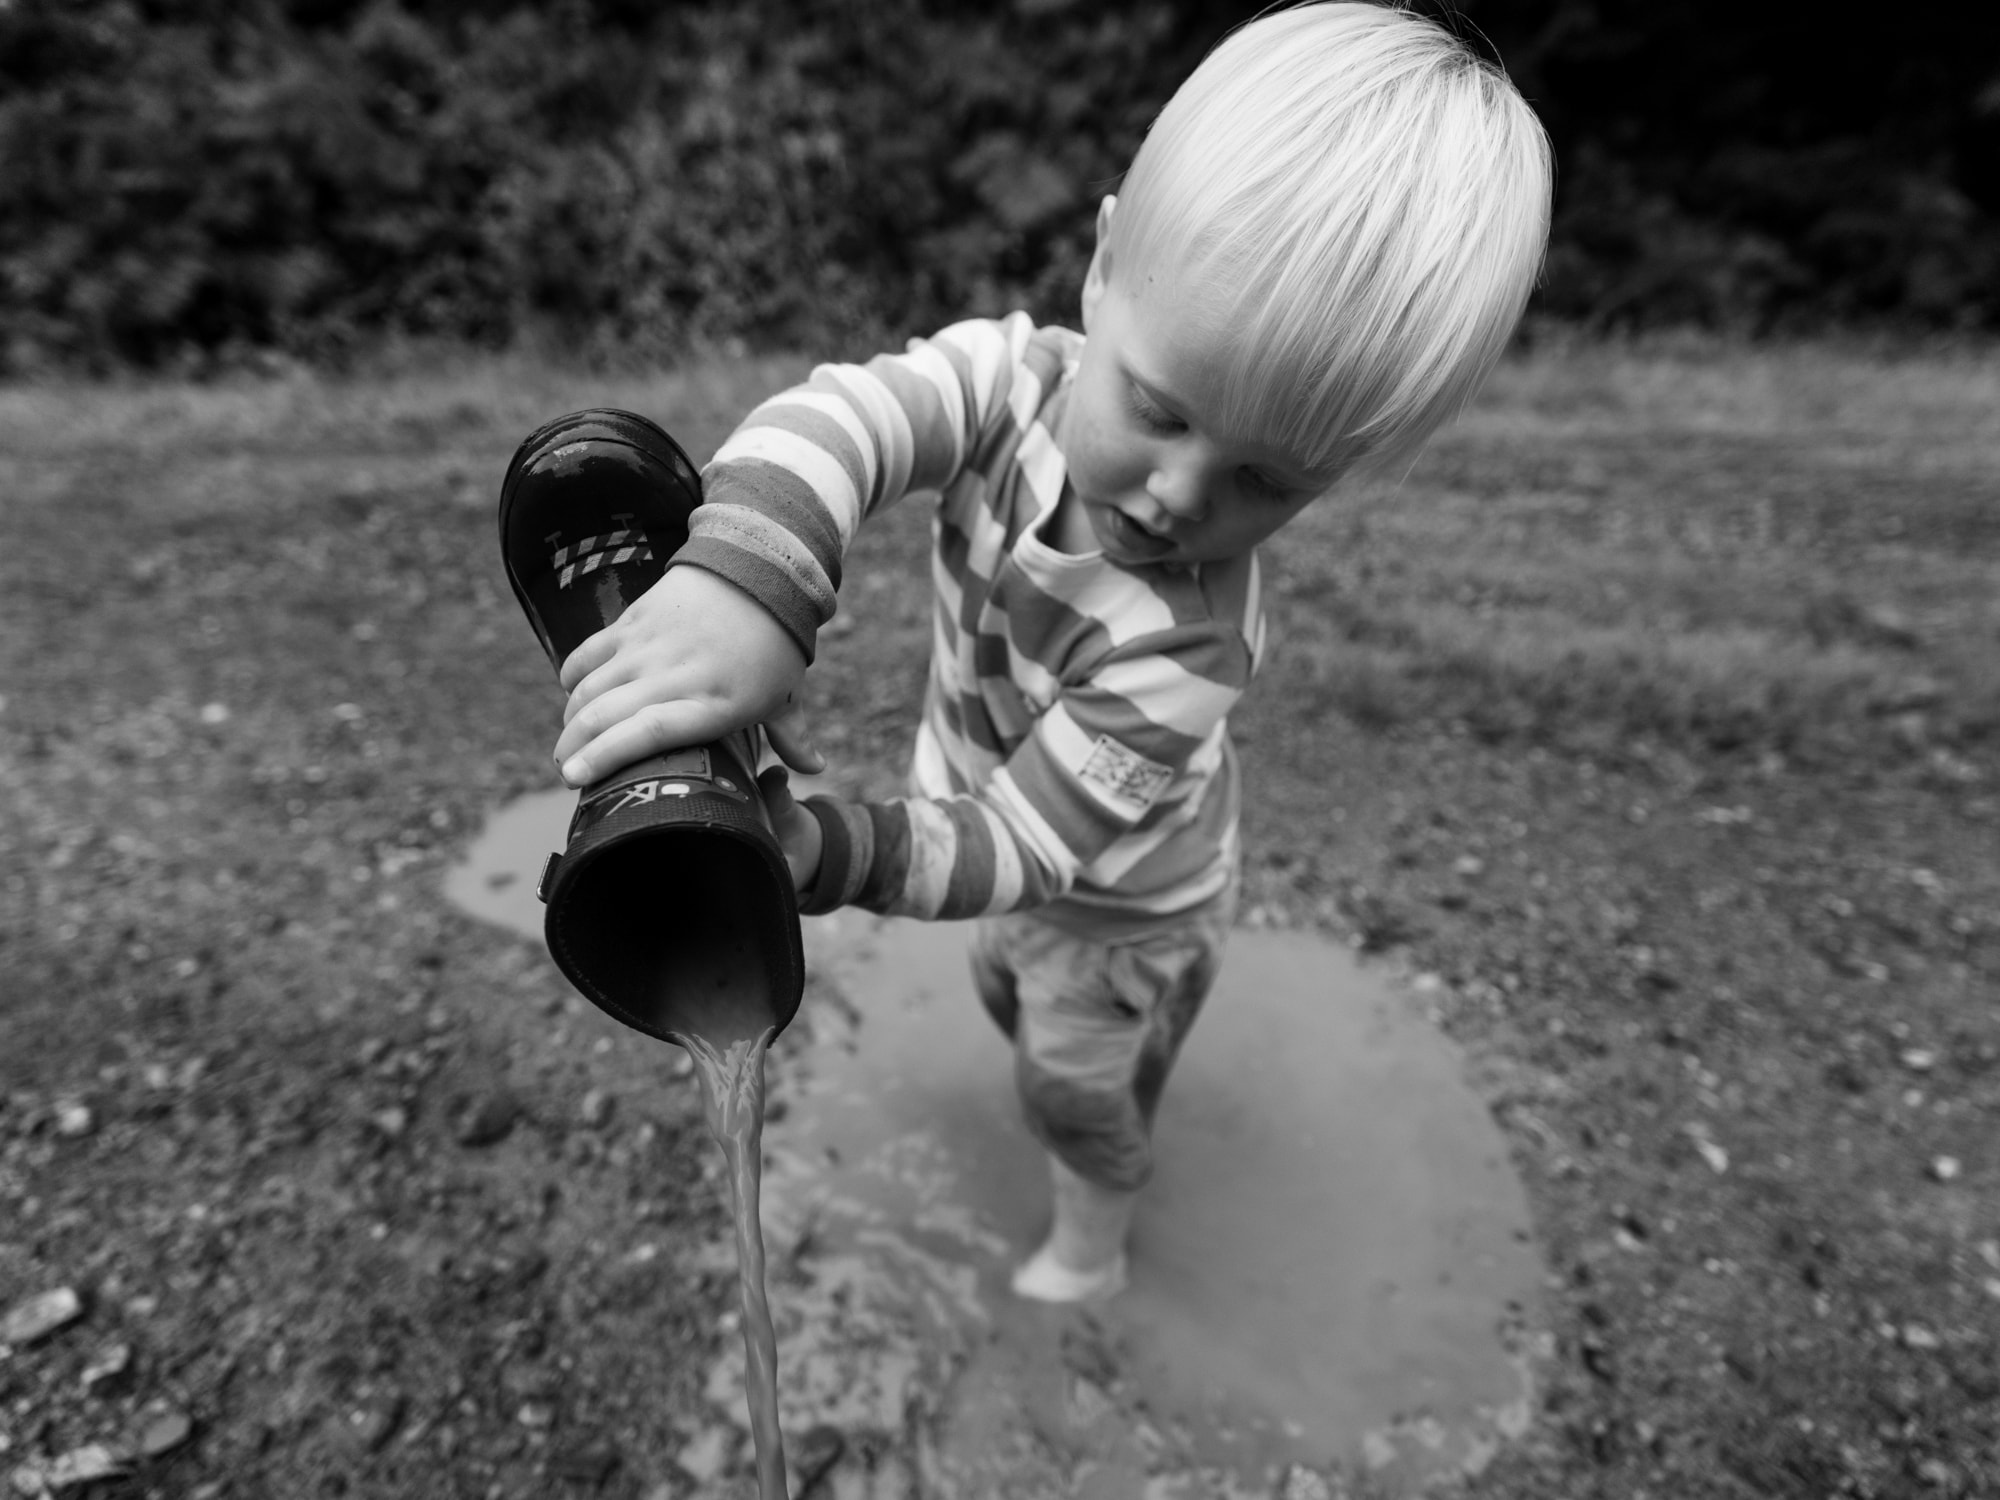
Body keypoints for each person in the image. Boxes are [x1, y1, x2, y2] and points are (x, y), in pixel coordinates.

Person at [549, 1, 1552, 1302]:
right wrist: (744, 584)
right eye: (1159, 407)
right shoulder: (1010, 382)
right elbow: (851, 418)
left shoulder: (1183, 649)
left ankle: (1096, 1233)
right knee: (1003, 991)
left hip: (1119, 910)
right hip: (1010, 849)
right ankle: (1114, 1094)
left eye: (1266, 481)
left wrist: (821, 850)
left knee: (1067, 1079)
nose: (1182, 495)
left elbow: (1022, 848)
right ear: (1105, 264)